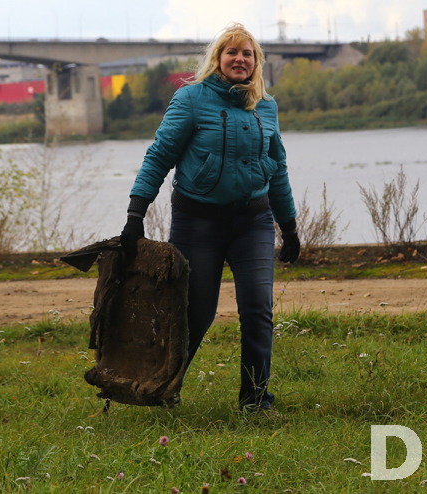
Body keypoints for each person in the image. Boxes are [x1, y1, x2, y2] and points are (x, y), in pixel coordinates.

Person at [120, 23, 300, 411]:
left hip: (252, 221)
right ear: (218, 59)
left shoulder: (265, 106)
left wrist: (289, 227)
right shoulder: (191, 99)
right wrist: (137, 213)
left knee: (257, 310)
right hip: (197, 223)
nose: (240, 59)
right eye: (231, 52)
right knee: (193, 314)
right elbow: (159, 156)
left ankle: (256, 401)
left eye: (247, 53)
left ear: (256, 62)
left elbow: (278, 168)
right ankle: (164, 389)